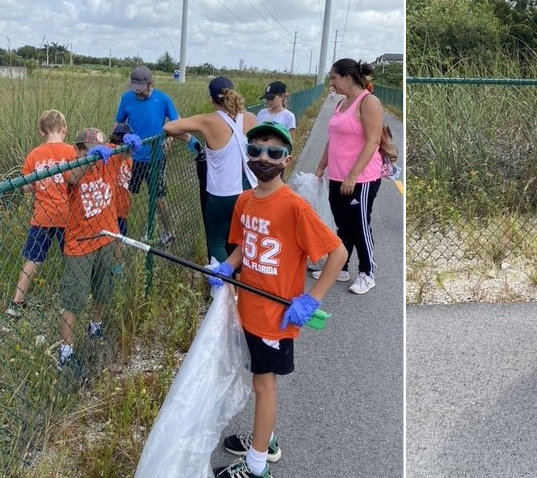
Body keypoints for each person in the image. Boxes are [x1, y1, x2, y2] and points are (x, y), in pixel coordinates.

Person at [210, 121, 347, 478]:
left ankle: (256, 466)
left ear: (286, 160)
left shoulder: (293, 207)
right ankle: (264, 438)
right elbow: (243, 245)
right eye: (255, 151)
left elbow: (338, 254)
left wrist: (311, 299)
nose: (263, 158)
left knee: (263, 383)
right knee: (259, 379)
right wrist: (227, 265)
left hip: (277, 316)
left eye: (274, 152)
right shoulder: (244, 200)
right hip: (249, 308)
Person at [163, 77, 258, 262]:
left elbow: (169, 127)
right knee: (242, 239)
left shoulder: (208, 121)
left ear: (211, 98)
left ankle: (223, 287)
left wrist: (189, 139)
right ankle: (240, 283)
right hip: (250, 189)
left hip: (223, 193)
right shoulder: (251, 118)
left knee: (216, 241)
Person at [313, 59, 384, 294]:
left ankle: (367, 272)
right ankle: (341, 268)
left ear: (347, 77)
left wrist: (353, 176)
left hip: (361, 178)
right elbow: (333, 139)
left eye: (334, 77)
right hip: (337, 175)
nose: (331, 83)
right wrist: (321, 167)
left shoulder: (368, 102)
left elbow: (373, 141)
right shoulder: (342, 104)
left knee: (359, 225)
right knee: (343, 225)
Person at [57, 128, 120, 369]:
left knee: (104, 290)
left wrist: (129, 144)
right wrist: (90, 158)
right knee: (74, 299)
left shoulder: (109, 159)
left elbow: (123, 152)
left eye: (98, 149)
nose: (96, 154)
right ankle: (66, 352)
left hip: (106, 236)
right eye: (89, 149)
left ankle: (95, 327)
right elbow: (72, 177)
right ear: (79, 149)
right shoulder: (70, 165)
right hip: (80, 244)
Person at [7, 110, 77, 318]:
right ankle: (72, 297)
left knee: (33, 259)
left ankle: (16, 301)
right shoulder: (71, 152)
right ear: (64, 129)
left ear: (41, 132)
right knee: (72, 257)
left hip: (42, 217)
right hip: (67, 215)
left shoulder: (34, 154)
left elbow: (26, 187)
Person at [115, 66, 183, 245]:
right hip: (132, 158)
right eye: (135, 89)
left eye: (141, 89)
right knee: (123, 195)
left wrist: (169, 139)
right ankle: (119, 233)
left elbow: (177, 122)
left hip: (155, 158)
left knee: (158, 198)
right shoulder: (126, 98)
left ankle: (168, 233)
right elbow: (119, 123)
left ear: (150, 84)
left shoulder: (163, 99)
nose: (138, 93)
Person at [107, 123, 136, 238]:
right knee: (120, 237)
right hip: (121, 205)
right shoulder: (129, 159)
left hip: (113, 205)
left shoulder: (110, 157)